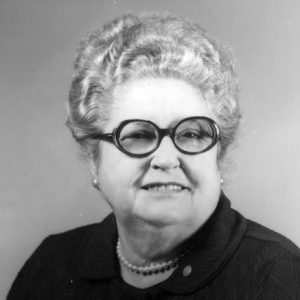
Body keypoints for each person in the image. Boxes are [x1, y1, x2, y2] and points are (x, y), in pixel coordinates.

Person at [8, 12, 300, 300]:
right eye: (137, 135)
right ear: (93, 160)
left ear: (218, 156)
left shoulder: (278, 273)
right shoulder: (51, 263)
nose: (166, 159)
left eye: (191, 134)